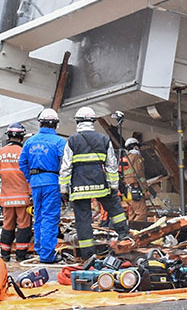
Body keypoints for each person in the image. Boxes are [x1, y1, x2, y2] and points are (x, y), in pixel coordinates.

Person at [59, 107, 129, 261]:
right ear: (93, 122)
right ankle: (124, 234)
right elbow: (111, 165)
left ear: (77, 122)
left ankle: (88, 255)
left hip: (79, 188)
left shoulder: (72, 141)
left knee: (83, 221)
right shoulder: (104, 139)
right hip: (100, 184)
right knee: (115, 209)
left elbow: (66, 167)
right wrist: (113, 186)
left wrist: (63, 189)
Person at [18, 108, 66, 263]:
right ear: (56, 125)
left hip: (36, 183)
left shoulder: (30, 142)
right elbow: (64, 164)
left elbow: (22, 162)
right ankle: (47, 255)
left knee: (38, 215)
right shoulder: (59, 142)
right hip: (52, 181)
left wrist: (30, 178)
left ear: (40, 123)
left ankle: (40, 249)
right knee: (50, 217)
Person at [0, 122, 32, 262]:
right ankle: (20, 255)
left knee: (7, 225)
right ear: (22, 136)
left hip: (6, 199)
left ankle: (5, 254)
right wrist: (32, 195)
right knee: (24, 226)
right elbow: (31, 175)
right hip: (23, 198)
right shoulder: (25, 153)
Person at [120, 137, 149, 222]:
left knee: (132, 214)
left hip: (127, 191)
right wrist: (145, 189)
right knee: (141, 213)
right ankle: (137, 233)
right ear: (135, 147)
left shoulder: (126, 158)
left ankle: (130, 231)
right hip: (135, 189)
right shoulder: (137, 157)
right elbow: (139, 174)